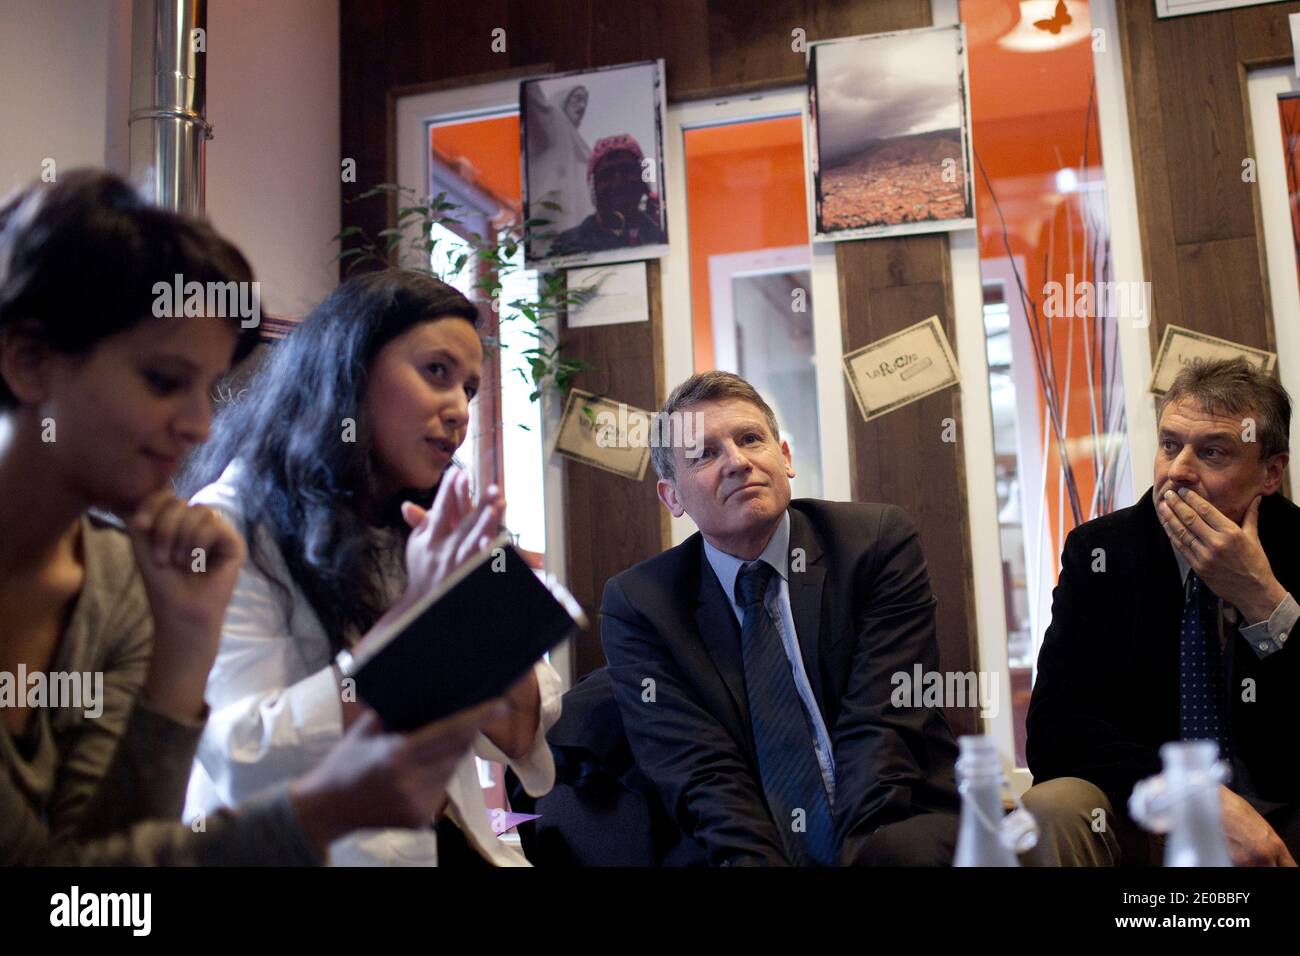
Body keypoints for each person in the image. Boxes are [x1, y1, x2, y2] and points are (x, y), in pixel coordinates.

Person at [0, 170, 500, 865]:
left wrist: (181, 646)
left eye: (208, 391)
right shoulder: (223, 526)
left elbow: (108, 879)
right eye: (164, 381)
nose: (201, 428)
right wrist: (330, 805)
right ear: (29, 361)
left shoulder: (119, 575)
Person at [179, 268, 562, 866]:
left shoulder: (434, 518)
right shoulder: (228, 525)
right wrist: (426, 613)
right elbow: (244, 753)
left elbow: (516, 730)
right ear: (349, 372)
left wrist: (482, 598)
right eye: (436, 372)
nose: (459, 409)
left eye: (469, 388)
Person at [600, 370, 959, 866]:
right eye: (705, 454)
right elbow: (701, 772)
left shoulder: (873, 545)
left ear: (784, 458)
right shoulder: (642, 605)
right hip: (745, 840)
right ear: (672, 497)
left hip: (891, 822)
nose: (738, 462)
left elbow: (882, 729)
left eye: (750, 439)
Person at [1024, 357, 1300, 867]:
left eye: (1212, 452)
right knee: (1052, 806)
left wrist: (1264, 600)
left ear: (1271, 472)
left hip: (1279, 819)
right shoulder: (1102, 552)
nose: (1178, 471)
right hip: (1148, 814)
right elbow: (1055, 730)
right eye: (1170, 445)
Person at [546, 134, 665, 258]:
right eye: (607, 174)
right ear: (593, 188)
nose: (618, 182)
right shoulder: (567, 245)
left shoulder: (660, 237)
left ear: (643, 183)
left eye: (626, 170)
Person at [524, 82, 591, 238]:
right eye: (578, 98)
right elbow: (532, 97)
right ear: (564, 99)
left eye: (585, 103)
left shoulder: (580, 144)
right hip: (553, 227)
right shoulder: (553, 118)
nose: (582, 107)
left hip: (581, 231)